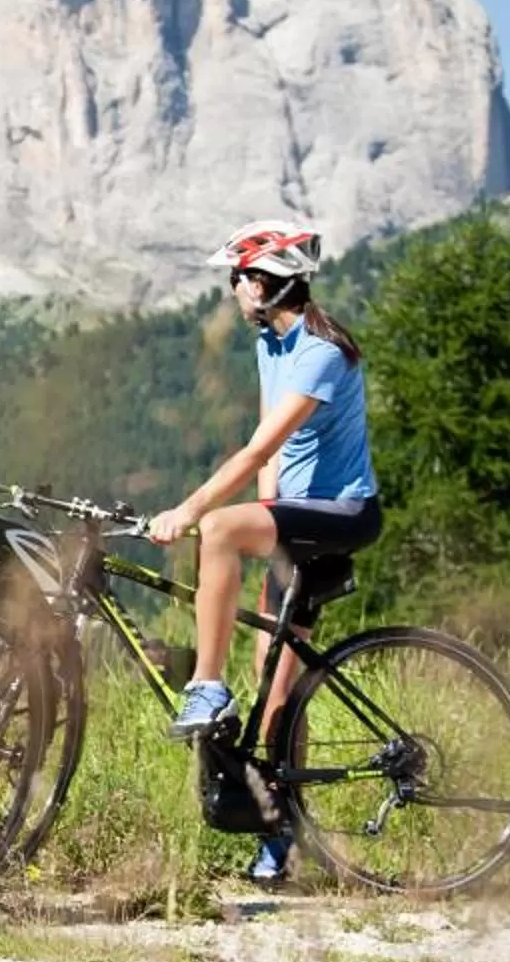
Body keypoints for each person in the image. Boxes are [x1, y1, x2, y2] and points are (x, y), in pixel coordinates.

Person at [143, 217, 380, 883]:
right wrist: (266, 514)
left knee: (219, 530)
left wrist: (191, 511)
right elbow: (270, 452)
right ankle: (283, 838)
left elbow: (253, 451)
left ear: (272, 282)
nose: (233, 288)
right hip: (296, 518)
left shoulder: (320, 352)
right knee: (276, 686)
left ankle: (206, 687)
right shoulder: (272, 347)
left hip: (341, 514)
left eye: (240, 277)